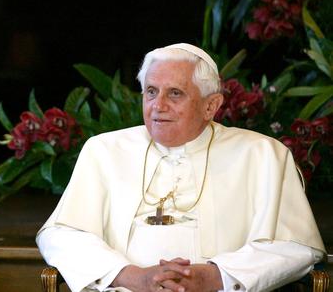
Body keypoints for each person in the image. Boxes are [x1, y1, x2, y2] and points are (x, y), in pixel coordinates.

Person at [36, 43, 325, 292]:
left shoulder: (263, 155)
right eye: (151, 91)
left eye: (174, 93)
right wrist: (136, 278)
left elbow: (296, 247)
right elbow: (59, 236)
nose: (158, 105)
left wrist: (215, 277)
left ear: (211, 106)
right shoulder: (104, 150)